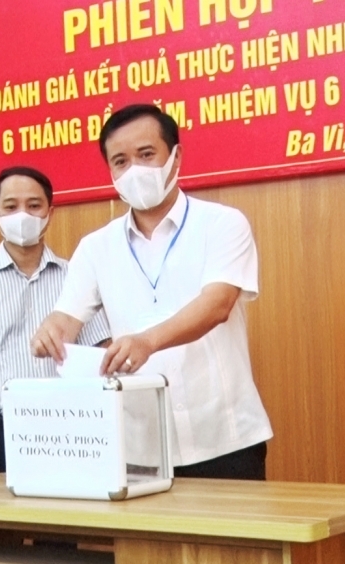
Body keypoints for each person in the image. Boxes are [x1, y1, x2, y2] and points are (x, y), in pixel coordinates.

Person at [30, 104, 273, 480]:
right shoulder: (96, 247)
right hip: (141, 446)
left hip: (225, 438)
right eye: (121, 162)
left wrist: (147, 342)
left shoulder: (222, 224)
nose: (134, 170)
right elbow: (67, 317)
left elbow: (217, 305)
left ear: (176, 157)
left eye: (146, 155)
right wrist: (51, 332)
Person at [0, 167, 111, 478]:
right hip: (0, 430)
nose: (23, 215)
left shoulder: (77, 279)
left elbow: (102, 351)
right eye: (11, 206)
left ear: (50, 212)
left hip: (73, 430)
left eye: (34, 205)